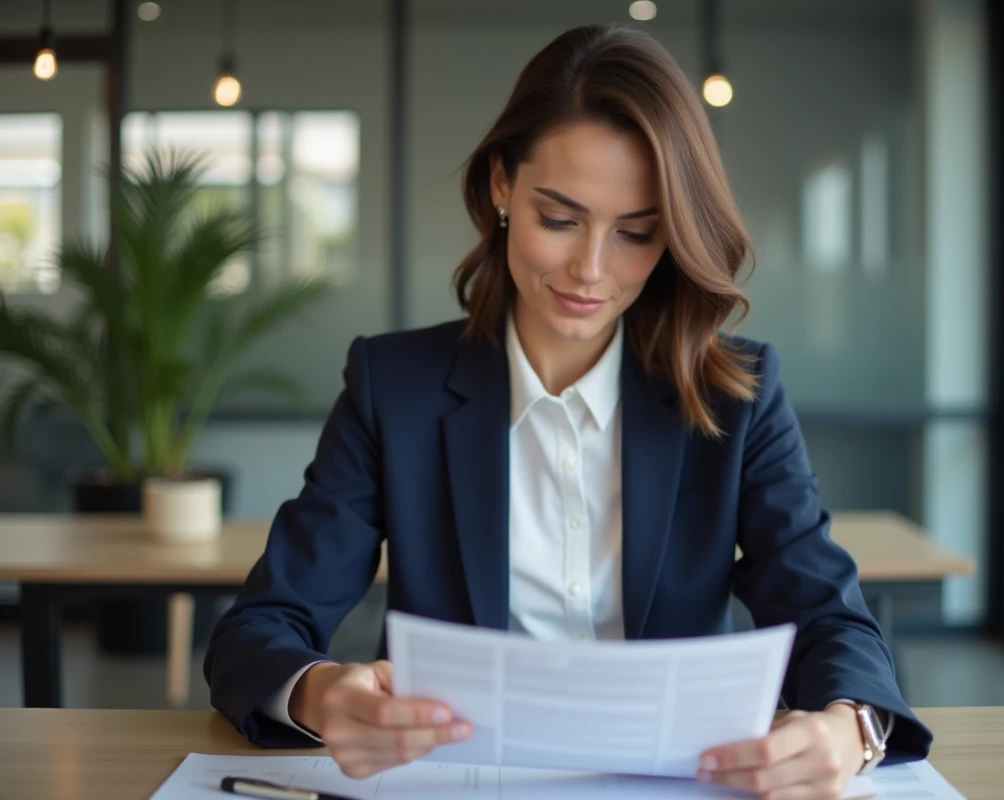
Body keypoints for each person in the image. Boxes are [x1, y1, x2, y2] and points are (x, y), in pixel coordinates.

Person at [205, 23, 932, 799]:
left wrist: (848, 726)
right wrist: (322, 696)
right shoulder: (396, 387)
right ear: (499, 187)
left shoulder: (735, 394)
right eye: (560, 219)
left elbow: (833, 620)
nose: (591, 270)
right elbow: (257, 631)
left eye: (636, 234)